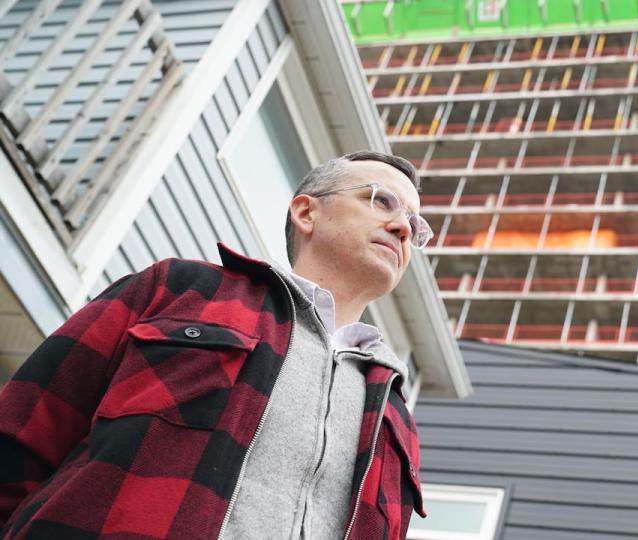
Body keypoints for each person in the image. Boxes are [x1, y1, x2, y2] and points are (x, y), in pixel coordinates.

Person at [0, 151, 430, 539]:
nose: (401, 228)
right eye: (381, 201)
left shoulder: (395, 414)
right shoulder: (179, 289)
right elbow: (18, 433)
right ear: (306, 213)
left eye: (414, 224)